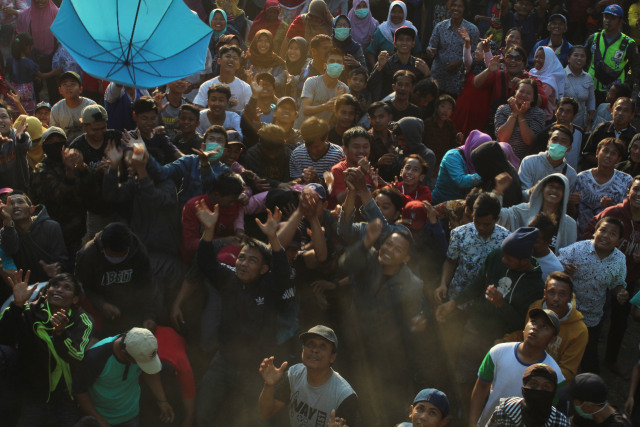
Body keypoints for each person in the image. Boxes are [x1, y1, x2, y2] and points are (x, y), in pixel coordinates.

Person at [194, 201, 290, 426]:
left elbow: (283, 273)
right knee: (204, 414)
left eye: (252, 260)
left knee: (257, 420)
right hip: (224, 361)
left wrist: (273, 238)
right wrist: (209, 230)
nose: (243, 264)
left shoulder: (270, 285)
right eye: (242, 258)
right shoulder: (228, 278)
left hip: (256, 369)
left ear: (264, 269)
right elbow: (206, 263)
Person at [339, 218, 428, 425]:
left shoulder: (412, 285)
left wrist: (417, 325)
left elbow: (411, 324)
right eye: (388, 243)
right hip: (352, 345)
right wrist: (365, 242)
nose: (389, 250)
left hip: (385, 358)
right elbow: (345, 263)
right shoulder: (367, 261)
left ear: (405, 258)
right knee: (346, 400)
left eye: (398, 249)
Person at [0, 271, 93, 427]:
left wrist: (60, 334)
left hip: (65, 395)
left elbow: (77, 356)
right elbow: (3, 338)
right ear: (47, 291)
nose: (58, 290)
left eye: (67, 287)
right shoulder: (28, 311)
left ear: (75, 299)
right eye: (54, 285)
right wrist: (16, 306)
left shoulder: (83, 320)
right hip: (33, 393)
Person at [581, 176, 640, 377]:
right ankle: (584, 356)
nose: (639, 195)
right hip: (595, 273)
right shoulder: (613, 213)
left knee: (620, 321)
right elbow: (591, 230)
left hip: (626, 278)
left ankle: (611, 359)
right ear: (628, 191)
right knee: (591, 317)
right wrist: (598, 251)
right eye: (637, 189)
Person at [470, 309, 565, 426]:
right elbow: (481, 388)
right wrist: (473, 423)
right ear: (525, 328)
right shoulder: (498, 352)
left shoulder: (556, 374)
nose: (535, 328)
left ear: (553, 339)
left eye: (544, 326)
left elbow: (548, 409)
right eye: (533, 322)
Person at [558, 217, 628, 374]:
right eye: (602, 230)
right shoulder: (577, 249)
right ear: (595, 231)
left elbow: (616, 284)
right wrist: (565, 272)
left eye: (612, 234)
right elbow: (555, 268)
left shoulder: (619, 259)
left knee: (588, 354)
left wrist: (620, 293)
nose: (605, 236)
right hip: (566, 311)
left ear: (619, 240)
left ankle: (585, 388)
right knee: (562, 348)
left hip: (591, 317)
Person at [258, 325, 359, 426]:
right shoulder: (294, 374)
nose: (315, 350)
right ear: (302, 350)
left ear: (332, 357)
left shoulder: (344, 395)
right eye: (310, 344)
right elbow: (265, 413)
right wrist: (269, 385)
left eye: (322, 346)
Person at [72, 327, 175, 427]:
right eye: (141, 363)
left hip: (131, 415)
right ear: (125, 353)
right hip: (102, 417)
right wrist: (99, 420)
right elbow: (80, 391)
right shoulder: (95, 358)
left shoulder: (143, 345)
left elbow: (150, 372)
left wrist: (162, 400)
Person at [502, 272, 588, 384]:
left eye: (562, 294)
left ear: (570, 298)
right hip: (524, 366)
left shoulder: (579, 331)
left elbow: (567, 371)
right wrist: (505, 342)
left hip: (551, 382)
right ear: (544, 293)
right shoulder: (535, 307)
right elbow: (524, 335)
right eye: (552, 292)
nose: (556, 298)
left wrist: (536, 379)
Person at [75, 222, 157, 337]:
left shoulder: (139, 253)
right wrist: (101, 304)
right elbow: (82, 287)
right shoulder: (87, 256)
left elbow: (147, 286)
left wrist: (149, 316)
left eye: (122, 255)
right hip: (99, 314)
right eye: (114, 255)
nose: (118, 259)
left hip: (132, 311)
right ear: (103, 247)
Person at [30, 126, 88, 262]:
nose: (56, 144)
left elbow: (90, 189)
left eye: (59, 140)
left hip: (78, 233)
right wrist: (69, 172)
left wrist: (82, 167)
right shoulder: (40, 170)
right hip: (53, 237)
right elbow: (57, 197)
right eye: (51, 142)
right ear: (44, 147)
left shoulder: (75, 162)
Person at [0, 192, 67, 284]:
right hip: (24, 289)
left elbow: (61, 258)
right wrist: (7, 221)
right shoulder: (6, 231)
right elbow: (10, 249)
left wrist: (56, 268)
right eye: (11, 204)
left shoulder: (51, 227)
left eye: (20, 202)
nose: (15, 206)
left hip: (51, 284)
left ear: (32, 209)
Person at [500, 173, 577, 252]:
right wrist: (498, 192)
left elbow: (569, 254)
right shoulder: (523, 210)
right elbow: (498, 216)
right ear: (542, 189)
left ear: (565, 194)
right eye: (551, 186)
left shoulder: (570, 224)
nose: (554, 190)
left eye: (559, 188)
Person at [574, 138, 633, 232]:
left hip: (610, 236)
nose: (608, 156)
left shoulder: (626, 181)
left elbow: (630, 213)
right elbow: (572, 211)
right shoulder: (582, 178)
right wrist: (571, 203)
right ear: (597, 153)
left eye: (613, 153)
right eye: (605, 151)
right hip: (581, 233)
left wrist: (613, 207)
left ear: (619, 159)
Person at [585, 4, 640, 104]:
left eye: (613, 18)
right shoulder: (593, 38)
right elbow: (584, 60)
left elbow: (636, 67)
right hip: (590, 88)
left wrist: (627, 85)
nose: (608, 21)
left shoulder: (628, 43)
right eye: (606, 17)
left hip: (614, 92)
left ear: (621, 21)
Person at [486, 363, 570, 427]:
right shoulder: (504, 412)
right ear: (524, 386)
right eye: (533, 385)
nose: (539, 390)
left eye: (546, 387)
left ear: (553, 392)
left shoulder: (561, 422)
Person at [426, 0, 479, 97]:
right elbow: (431, 46)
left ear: (464, 9)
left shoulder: (472, 29)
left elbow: (475, 55)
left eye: (460, 6)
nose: (456, 8)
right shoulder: (440, 27)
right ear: (449, 8)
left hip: (459, 81)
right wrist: (429, 51)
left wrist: (459, 63)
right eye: (453, 5)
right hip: (439, 77)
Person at [368, 26, 430, 101]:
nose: (404, 43)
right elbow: (370, 85)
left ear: (413, 44)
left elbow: (428, 91)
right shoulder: (386, 62)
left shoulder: (419, 64)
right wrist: (379, 67)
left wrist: (427, 74)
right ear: (395, 43)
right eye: (401, 40)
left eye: (408, 40)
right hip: (388, 106)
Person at [16, 0, 59, 104]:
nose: (41, 1)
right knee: (34, 88)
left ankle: (55, 113)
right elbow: (19, 37)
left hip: (52, 57)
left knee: (54, 88)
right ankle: (36, 113)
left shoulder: (57, 13)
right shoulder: (24, 15)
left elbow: (63, 35)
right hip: (31, 57)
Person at [518, 124, 578, 198]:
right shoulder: (529, 162)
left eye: (563, 141)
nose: (558, 144)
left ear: (569, 148)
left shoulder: (571, 174)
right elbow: (521, 194)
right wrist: (532, 191)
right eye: (555, 140)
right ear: (548, 143)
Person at [6, 32, 59, 115]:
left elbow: (6, 78)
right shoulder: (29, 63)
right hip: (27, 97)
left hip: (14, 95)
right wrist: (54, 72)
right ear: (27, 47)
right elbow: (41, 75)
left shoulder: (10, 60)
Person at [431, 130, 488, 204]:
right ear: (474, 147)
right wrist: (485, 175)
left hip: (461, 207)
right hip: (441, 203)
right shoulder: (452, 156)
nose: (482, 155)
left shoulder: (480, 160)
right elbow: (461, 181)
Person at [494, 79, 546, 160]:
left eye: (528, 93)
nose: (524, 95)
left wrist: (521, 116)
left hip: (525, 160)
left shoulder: (539, 114)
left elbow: (530, 141)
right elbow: (502, 138)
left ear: (533, 98)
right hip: (503, 158)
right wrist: (514, 113)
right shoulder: (503, 109)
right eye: (521, 91)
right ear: (515, 93)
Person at [297, 47, 349, 127]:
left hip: (321, 134)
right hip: (301, 130)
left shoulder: (344, 89)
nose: (335, 64)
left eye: (338, 62)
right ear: (325, 66)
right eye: (332, 61)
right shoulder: (311, 82)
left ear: (343, 67)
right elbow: (305, 110)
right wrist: (325, 106)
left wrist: (338, 102)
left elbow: (339, 118)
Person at [194, 45, 252, 115]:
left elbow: (249, 113)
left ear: (238, 65)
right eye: (228, 56)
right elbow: (197, 109)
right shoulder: (206, 85)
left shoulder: (245, 88)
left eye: (235, 58)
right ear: (219, 60)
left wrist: (226, 110)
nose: (231, 60)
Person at [582, 97, 637, 169]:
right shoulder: (601, 129)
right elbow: (586, 153)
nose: (620, 113)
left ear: (632, 115)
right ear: (612, 111)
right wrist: (604, 163)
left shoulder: (634, 135)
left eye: (626, 111)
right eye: (618, 109)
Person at [561, 373, 632, 426]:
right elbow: (567, 423)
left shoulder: (619, 425)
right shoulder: (587, 414)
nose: (573, 403)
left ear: (588, 406)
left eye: (575, 401)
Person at [365, 1, 421, 69]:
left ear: (405, 13)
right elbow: (370, 52)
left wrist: (412, 70)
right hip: (385, 72)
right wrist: (377, 69)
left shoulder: (411, 29)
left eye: (400, 12)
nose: (396, 15)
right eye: (393, 12)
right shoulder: (382, 30)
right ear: (389, 13)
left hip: (405, 73)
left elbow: (417, 52)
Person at [470, 141, 522, 208]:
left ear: (488, 163)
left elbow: (492, 212)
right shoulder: (497, 171)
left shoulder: (506, 183)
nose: (476, 170)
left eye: (478, 165)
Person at [49, 71, 97, 143]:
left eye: (72, 84)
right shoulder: (56, 109)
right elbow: (55, 134)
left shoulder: (91, 106)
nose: (68, 88)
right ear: (60, 90)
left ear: (80, 89)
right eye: (65, 84)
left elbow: (98, 130)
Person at [423, 95, 459, 175]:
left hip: (442, 164)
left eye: (449, 108)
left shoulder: (450, 125)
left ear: (452, 112)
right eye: (442, 106)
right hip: (426, 162)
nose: (445, 111)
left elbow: (453, 147)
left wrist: (458, 140)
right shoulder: (427, 123)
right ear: (436, 107)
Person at [529, 46, 566, 121]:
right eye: (536, 57)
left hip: (544, 120)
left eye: (541, 58)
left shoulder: (549, 81)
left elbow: (538, 101)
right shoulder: (532, 72)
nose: (537, 60)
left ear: (548, 61)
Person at [564, 45, 596, 131]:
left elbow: (591, 101)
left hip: (580, 125)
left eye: (582, 56)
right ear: (569, 58)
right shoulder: (560, 76)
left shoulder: (588, 77)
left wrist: (589, 123)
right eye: (576, 55)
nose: (579, 58)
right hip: (562, 123)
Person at [0, 107, 30, 191]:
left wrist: (21, 138)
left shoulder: (19, 134)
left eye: (3, 117)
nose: (0, 120)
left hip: (19, 189)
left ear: (11, 121)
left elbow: (25, 146)